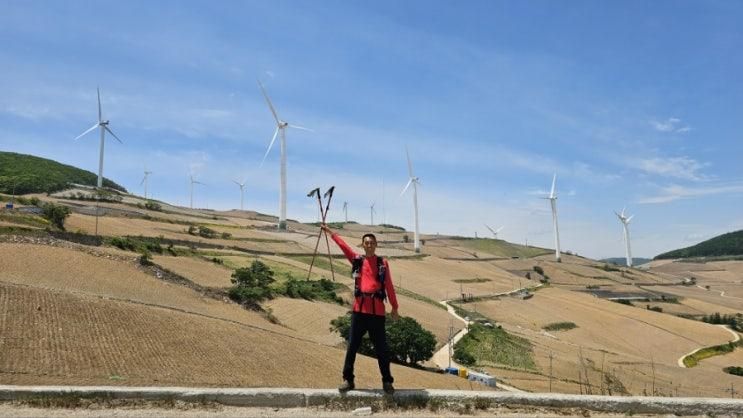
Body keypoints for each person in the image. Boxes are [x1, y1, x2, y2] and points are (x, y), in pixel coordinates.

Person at [321, 223, 399, 395]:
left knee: (382, 350)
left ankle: (387, 381)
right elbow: (343, 247)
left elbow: (389, 286)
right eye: (366, 242)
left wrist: (395, 307)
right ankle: (348, 380)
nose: (369, 245)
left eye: (372, 242)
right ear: (362, 245)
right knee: (352, 347)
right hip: (359, 311)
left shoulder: (382, 264)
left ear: (376, 245)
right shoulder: (357, 260)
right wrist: (330, 233)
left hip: (377, 313)